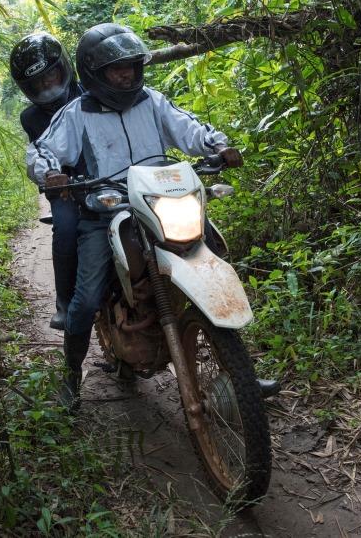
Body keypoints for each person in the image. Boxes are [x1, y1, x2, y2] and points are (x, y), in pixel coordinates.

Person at [26, 23, 243, 409]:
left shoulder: (152, 101)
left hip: (160, 204)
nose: (126, 74)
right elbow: (42, 152)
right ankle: (72, 376)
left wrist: (219, 145)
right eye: (116, 68)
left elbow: (189, 128)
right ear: (95, 73)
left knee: (214, 257)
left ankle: (241, 373)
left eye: (130, 65)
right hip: (105, 212)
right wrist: (51, 173)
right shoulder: (78, 112)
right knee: (87, 297)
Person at [10, 33, 82, 331]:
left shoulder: (92, 91)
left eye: (50, 74)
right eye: (38, 82)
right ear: (28, 88)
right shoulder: (31, 117)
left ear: (62, 67)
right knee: (65, 228)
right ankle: (64, 304)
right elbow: (40, 153)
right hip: (67, 187)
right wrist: (52, 176)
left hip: (114, 173)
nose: (47, 84)